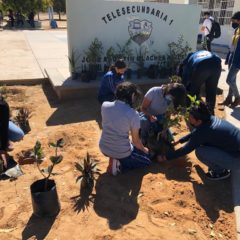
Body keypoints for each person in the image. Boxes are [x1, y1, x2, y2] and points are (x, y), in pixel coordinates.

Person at [157, 101, 240, 180]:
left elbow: (185, 150)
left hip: (237, 160)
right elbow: (195, 132)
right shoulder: (210, 119)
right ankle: (222, 163)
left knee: (200, 152)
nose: (188, 118)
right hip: (235, 148)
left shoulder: (204, 132)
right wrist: (179, 141)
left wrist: (165, 157)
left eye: (190, 117)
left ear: (199, 121)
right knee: (207, 144)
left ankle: (221, 172)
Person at [99, 81, 151, 176]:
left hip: (104, 147)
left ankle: (113, 158)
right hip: (121, 152)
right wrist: (145, 150)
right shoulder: (133, 114)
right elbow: (136, 141)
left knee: (130, 146)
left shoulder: (105, 105)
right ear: (132, 96)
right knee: (146, 161)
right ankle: (118, 165)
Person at [178, 50, 222, 114]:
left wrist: (182, 89)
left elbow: (184, 80)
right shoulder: (198, 54)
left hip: (201, 65)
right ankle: (210, 112)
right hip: (217, 63)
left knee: (194, 90)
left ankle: (193, 112)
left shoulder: (187, 63)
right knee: (212, 91)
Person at [220, 12, 240, 108]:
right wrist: (228, 57)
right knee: (232, 80)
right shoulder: (237, 30)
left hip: (237, 60)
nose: (233, 22)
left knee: (229, 80)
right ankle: (229, 99)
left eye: (235, 20)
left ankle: (237, 98)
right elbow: (232, 46)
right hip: (232, 57)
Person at [0, 96, 24, 169]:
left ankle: (7, 141)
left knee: (18, 134)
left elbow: (3, 126)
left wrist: (2, 149)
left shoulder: (2, 105)